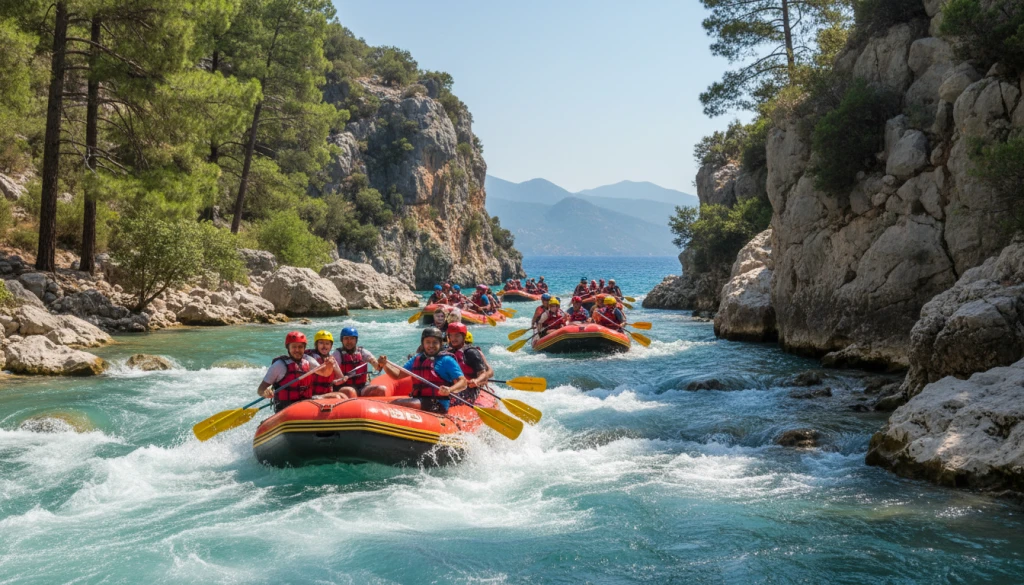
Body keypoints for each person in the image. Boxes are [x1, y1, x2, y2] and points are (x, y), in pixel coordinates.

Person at [377, 327, 467, 414]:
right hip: (418, 399)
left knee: (398, 403)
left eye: (435, 342)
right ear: (423, 344)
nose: (431, 345)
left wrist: (450, 389)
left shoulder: (447, 360)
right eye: (428, 342)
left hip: (437, 403)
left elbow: (463, 382)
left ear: (440, 344)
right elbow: (397, 375)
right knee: (398, 402)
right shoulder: (417, 358)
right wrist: (385, 365)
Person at [256, 331, 336, 412]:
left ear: (304, 348)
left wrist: (329, 365)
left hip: (305, 404)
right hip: (285, 407)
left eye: (300, 347)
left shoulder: (308, 360)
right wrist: (266, 392)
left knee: (336, 396)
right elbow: (260, 389)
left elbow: (325, 373)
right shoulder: (279, 365)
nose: (297, 350)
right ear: (288, 348)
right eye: (294, 347)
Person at [445, 322, 493, 404]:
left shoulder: (471, 353)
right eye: (451, 335)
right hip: (452, 386)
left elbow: (484, 373)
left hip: (470, 389)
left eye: (457, 335)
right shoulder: (447, 352)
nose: (453, 338)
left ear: (463, 337)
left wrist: (477, 381)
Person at [332, 327, 387, 397]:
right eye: (346, 338)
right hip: (345, 387)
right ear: (342, 340)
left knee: (381, 389)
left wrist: (380, 363)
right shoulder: (337, 354)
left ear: (356, 340)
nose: (349, 341)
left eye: (352, 338)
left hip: (363, 386)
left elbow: (377, 367)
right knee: (349, 391)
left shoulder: (362, 352)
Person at [305, 330, 352, 399]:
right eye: (321, 343)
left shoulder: (331, 359)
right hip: (312, 395)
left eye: (327, 343)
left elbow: (339, 379)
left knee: (347, 392)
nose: (324, 346)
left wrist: (340, 380)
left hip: (326, 393)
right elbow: (324, 372)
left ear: (330, 346)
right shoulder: (310, 357)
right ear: (316, 344)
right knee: (337, 397)